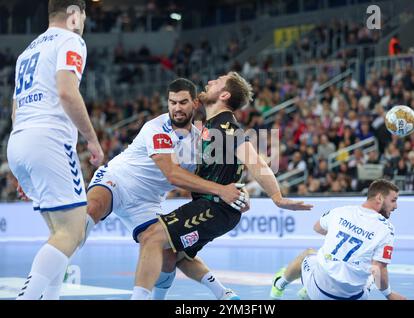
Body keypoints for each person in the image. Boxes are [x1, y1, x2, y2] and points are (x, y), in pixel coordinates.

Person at [132, 71, 314, 300]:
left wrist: (276, 197)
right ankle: (225, 296)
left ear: (225, 94)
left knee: (151, 237)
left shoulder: (226, 126)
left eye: (216, 82)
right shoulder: (209, 126)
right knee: (172, 255)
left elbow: (255, 161)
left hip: (215, 208)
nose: (209, 82)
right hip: (214, 207)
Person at [85, 78, 247, 300]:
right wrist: (222, 190)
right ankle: (56, 271)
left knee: (169, 253)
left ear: (195, 104)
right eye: (172, 102)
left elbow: (210, 177)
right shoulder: (157, 127)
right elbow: (173, 174)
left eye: (183, 102)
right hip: (118, 180)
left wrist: (238, 194)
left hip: (148, 201)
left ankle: (221, 293)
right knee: (91, 209)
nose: (177, 108)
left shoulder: (201, 141)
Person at [7, 0, 104, 300]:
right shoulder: (71, 40)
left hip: (19, 138)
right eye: (84, 14)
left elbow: (14, 110)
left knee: (61, 233)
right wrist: (92, 139)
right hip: (48, 140)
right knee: (72, 232)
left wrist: (26, 169)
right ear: (75, 13)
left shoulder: (28, 51)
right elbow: (66, 91)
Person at [270, 179, 406, 300]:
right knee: (371, 270)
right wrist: (389, 295)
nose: (396, 206)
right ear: (379, 198)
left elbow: (317, 227)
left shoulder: (341, 211)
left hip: (319, 290)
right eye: (393, 200)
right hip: (355, 297)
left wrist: (341, 232)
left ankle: (279, 285)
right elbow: (379, 269)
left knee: (309, 253)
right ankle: (305, 292)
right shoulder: (387, 229)